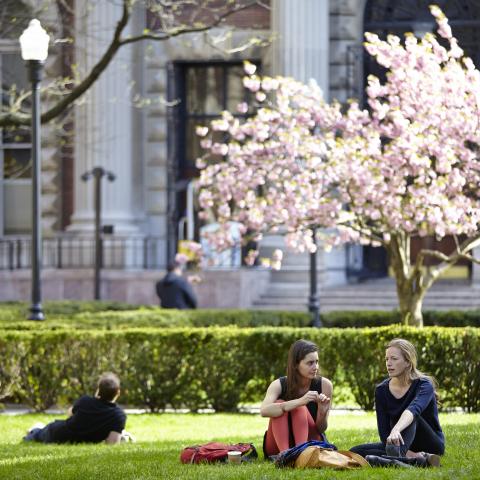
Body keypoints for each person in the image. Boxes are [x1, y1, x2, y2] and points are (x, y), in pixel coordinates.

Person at [350, 338, 444, 467]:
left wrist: (396, 429)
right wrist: (397, 440)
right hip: (398, 443)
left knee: (409, 417)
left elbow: (413, 409)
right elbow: (384, 435)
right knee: (355, 452)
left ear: (408, 362)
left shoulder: (424, 385)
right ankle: (417, 460)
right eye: (387, 359)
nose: (389, 363)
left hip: (430, 443)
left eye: (394, 359)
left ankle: (389, 459)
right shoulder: (381, 390)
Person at [260, 339, 333, 458]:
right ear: (295, 364)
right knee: (280, 404)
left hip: (310, 441)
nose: (316, 367)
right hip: (278, 444)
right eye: (310, 363)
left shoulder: (325, 385)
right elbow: (264, 411)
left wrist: (322, 412)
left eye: (317, 362)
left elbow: (321, 428)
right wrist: (299, 402)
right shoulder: (279, 384)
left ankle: (300, 454)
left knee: (299, 408)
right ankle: (286, 456)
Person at [23, 372, 126, 444]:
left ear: (98, 390)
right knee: (36, 434)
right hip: (55, 432)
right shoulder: (118, 416)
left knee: (42, 432)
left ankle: (37, 428)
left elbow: (70, 414)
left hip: (58, 434)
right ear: (118, 393)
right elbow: (112, 442)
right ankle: (34, 429)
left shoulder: (85, 401)